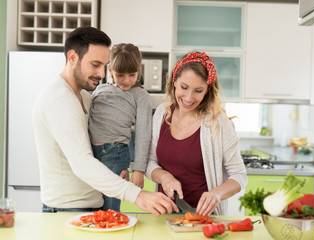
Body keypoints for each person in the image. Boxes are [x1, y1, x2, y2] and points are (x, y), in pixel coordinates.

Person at [32, 26, 178, 215]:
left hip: (92, 203)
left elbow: (113, 132)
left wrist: (119, 171)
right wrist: (138, 195)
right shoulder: (59, 100)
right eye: (95, 64)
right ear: (72, 57)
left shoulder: (85, 96)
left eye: (104, 65)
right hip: (67, 209)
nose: (102, 74)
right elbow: (83, 163)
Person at [145, 52, 247, 216]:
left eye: (198, 90)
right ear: (174, 81)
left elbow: (240, 176)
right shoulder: (162, 114)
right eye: (184, 87)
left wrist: (217, 194)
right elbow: (150, 162)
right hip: (163, 211)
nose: (189, 97)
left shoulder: (219, 123)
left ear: (207, 90)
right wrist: (164, 177)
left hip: (203, 216)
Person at [88, 43, 151, 211]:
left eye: (132, 74)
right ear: (110, 70)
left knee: (109, 208)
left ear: (138, 69)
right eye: (120, 75)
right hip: (90, 155)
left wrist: (138, 169)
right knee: (91, 205)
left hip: (115, 153)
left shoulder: (140, 95)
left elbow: (144, 133)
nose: (127, 80)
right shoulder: (99, 89)